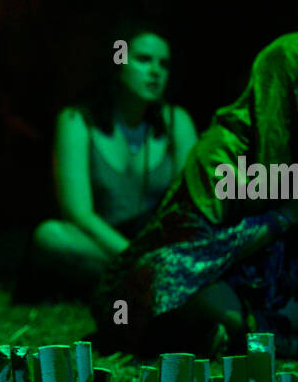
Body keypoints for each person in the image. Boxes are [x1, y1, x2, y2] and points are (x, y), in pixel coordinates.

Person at [94, 32, 298, 359]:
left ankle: (242, 336)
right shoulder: (222, 150)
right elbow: (197, 250)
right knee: (176, 280)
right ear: (295, 93)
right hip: (215, 283)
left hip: (279, 291)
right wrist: (285, 218)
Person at [27, 24, 197, 296]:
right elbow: (77, 212)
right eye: (143, 59)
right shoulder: (77, 120)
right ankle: (142, 283)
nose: (155, 71)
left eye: (163, 64)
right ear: (118, 61)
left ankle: (133, 284)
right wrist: (135, 256)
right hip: (100, 243)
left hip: (156, 243)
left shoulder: (177, 121)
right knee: (51, 236)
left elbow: (188, 205)